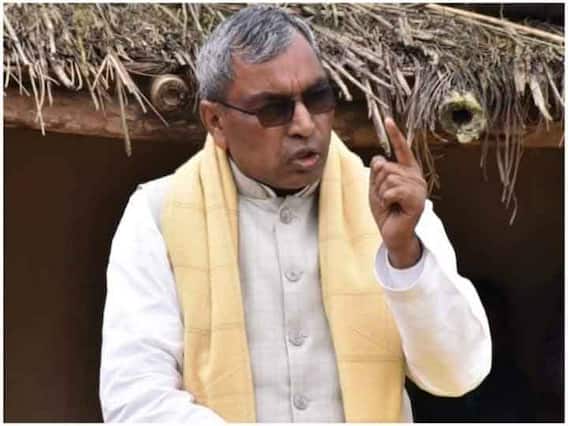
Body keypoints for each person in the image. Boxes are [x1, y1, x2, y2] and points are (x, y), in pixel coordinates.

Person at [100, 5, 491, 423]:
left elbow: (458, 374)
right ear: (215, 121)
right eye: (274, 109)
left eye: (318, 98)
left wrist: (405, 256)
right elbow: (135, 399)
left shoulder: (388, 205)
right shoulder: (158, 215)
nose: (305, 124)